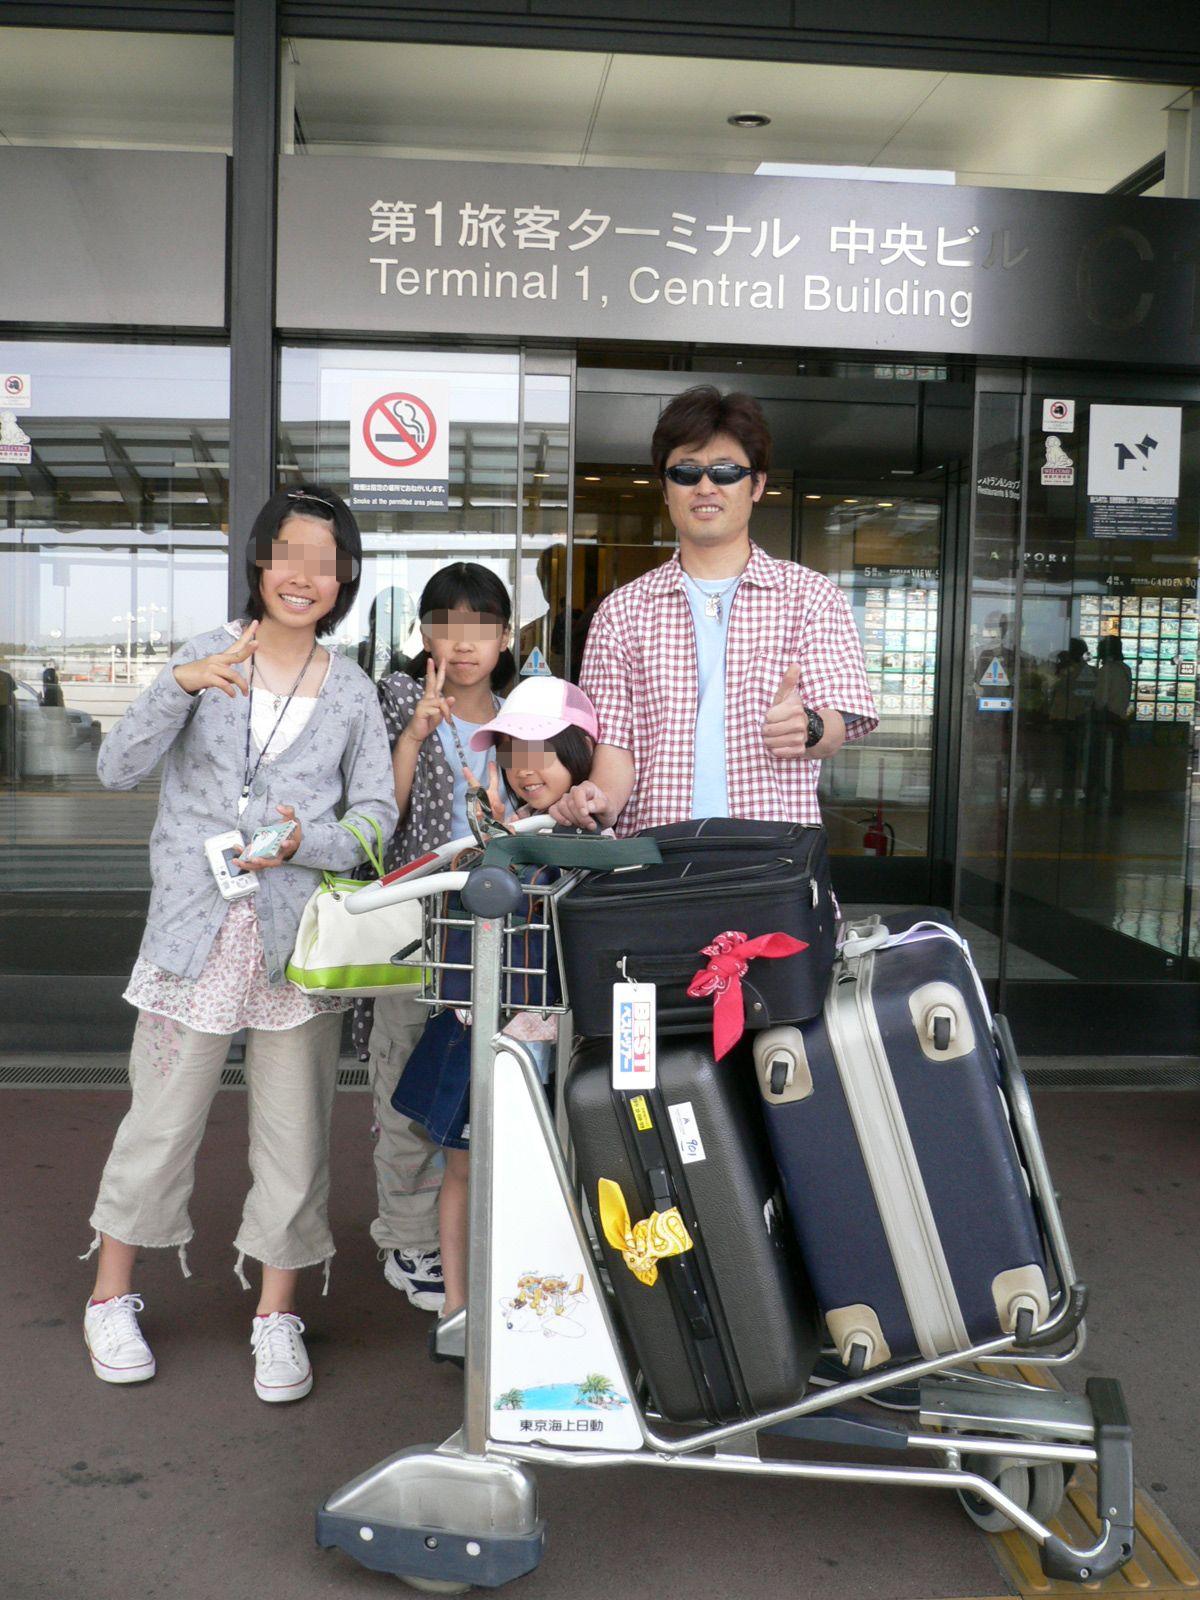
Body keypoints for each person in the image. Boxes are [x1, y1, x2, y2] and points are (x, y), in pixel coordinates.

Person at [81, 485, 397, 1404]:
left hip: (293, 947)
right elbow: (116, 768)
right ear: (258, 561)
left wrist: (308, 843)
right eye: (288, 554)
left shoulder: (352, 689)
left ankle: (276, 1314)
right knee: (159, 1123)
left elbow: (374, 818)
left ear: (344, 579)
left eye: (325, 562)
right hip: (193, 937)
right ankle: (110, 1297)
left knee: (296, 1138)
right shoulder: (203, 655)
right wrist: (178, 686)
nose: (304, 576)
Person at [550, 385, 878, 834]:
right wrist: (598, 802)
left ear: (757, 484)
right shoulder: (621, 612)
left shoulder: (812, 597)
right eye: (686, 472)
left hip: (772, 854)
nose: (705, 487)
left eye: (725, 471)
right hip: (656, 854)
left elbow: (837, 724)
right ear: (665, 489)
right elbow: (615, 749)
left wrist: (810, 727)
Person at [391, 676, 600, 1333]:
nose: (525, 768)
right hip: (477, 1030)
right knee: (462, 1167)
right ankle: (458, 1308)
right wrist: (491, 845)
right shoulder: (497, 837)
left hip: (564, 1041)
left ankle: (539, 1310)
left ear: (580, 752)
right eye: (512, 753)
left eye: (543, 751)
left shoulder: (598, 832)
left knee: (553, 1173)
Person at [353, 562, 516, 1312]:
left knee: (477, 1089)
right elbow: (376, 818)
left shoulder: (521, 717)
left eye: (480, 626)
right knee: (406, 1090)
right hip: (414, 932)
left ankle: (472, 1229)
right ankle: (409, 1239)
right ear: (423, 635)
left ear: (506, 637)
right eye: (446, 626)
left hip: (499, 937)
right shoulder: (394, 701)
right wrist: (414, 737)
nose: (463, 643)